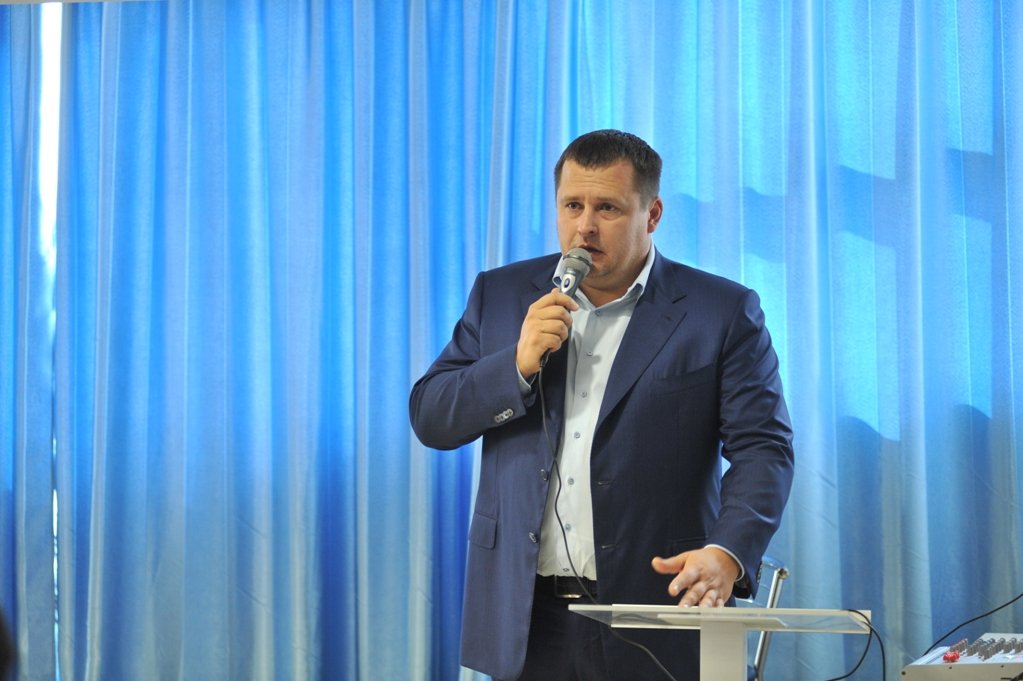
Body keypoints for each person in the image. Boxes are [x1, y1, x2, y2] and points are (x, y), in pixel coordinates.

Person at [409, 129, 794, 681]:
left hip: (661, 609)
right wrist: (514, 366)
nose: (584, 227)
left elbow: (764, 449)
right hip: (526, 618)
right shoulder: (501, 294)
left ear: (652, 214)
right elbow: (431, 416)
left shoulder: (721, 311)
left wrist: (728, 553)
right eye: (572, 205)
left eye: (607, 208)